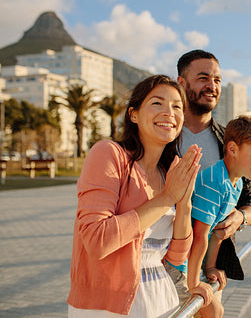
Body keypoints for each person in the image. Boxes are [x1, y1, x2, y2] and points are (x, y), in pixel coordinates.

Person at [67, 75, 205, 317]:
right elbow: (97, 241)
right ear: (133, 114)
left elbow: (175, 256)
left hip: (160, 297)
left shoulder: (169, 170)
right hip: (109, 305)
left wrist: (183, 204)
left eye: (177, 106)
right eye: (157, 103)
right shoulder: (109, 155)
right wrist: (166, 198)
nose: (169, 112)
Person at [164, 49, 251, 310]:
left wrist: (239, 219)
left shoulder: (228, 140)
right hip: (160, 262)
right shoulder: (163, 133)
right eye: (203, 78)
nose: (212, 86)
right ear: (181, 84)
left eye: (217, 80)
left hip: (209, 269)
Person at [172, 116, 251, 317]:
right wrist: (194, 282)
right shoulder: (215, 182)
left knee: (216, 311)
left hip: (196, 263)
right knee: (212, 311)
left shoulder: (236, 183)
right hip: (180, 263)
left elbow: (218, 233)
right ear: (232, 149)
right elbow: (200, 234)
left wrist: (210, 267)